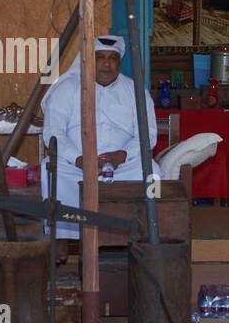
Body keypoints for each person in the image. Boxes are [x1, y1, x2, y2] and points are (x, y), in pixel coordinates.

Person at [41, 34, 158, 239]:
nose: (106, 64)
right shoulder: (66, 89)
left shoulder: (135, 90)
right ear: (88, 60)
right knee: (52, 172)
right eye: (100, 57)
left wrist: (122, 155)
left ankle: (149, 233)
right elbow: (53, 132)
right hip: (76, 166)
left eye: (112, 58)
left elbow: (148, 134)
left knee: (154, 175)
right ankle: (60, 237)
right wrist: (79, 159)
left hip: (123, 166)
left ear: (119, 62)